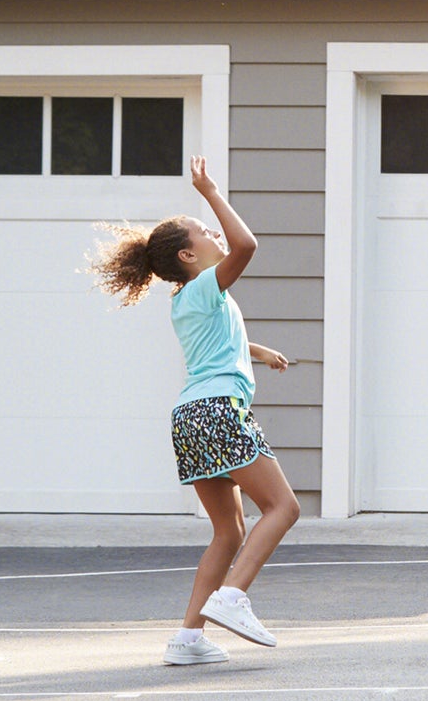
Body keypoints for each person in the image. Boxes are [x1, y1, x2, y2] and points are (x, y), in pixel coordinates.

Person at [90, 155, 300, 666]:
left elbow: (219, 344)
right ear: (188, 253)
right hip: (218, 411)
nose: (215, 235)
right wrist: (209, 193)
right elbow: (248, 245)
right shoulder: (207, 286)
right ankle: (232, 597)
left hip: (190, 418)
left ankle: (187, 638)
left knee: (229, 532)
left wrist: (258, 350)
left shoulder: (189, 298)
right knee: (284, 508)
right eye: (206, 231)